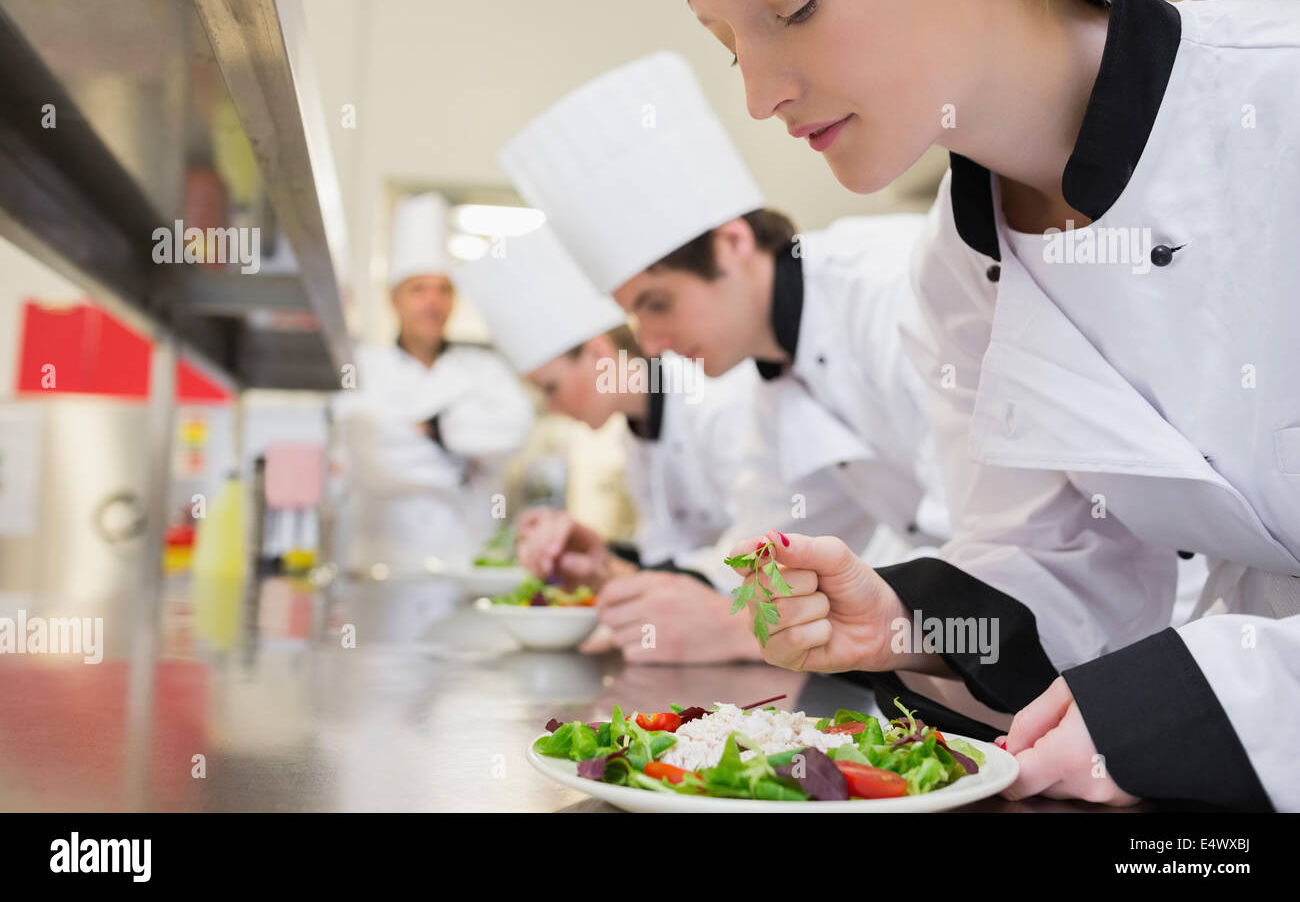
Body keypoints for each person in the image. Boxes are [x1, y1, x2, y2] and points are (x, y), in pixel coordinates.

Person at [671, 0, 1300, 810]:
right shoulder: (958, 269)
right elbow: (1070, 557)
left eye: (794, 3)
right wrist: (908, 622)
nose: (758, 96)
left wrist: (1198, 703)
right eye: (732, 48)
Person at [498, 51, 950, 603]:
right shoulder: (779, 378)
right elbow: (757, 560)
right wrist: (609, 565)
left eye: (657, 304)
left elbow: (989, 538)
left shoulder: (892, 286)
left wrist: (733, 623)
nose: (651, 344)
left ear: (733, 244)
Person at [455, 225, 766, 662]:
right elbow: (671, 566)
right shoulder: (636, 436)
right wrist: (597, 565)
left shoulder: (717, 398)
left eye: (551, 388)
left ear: (599, 355)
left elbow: (759, 564)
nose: (555, 408)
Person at [332, 192, 534, 576]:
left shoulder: (486, 369)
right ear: (394, 300)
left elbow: (515, 430)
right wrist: (465, 461)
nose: (433, 301)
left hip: (467, 566)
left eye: (444, 289)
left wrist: (431, 430)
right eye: (418, 289)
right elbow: (370, 457)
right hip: (383, 569)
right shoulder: (361, 368)